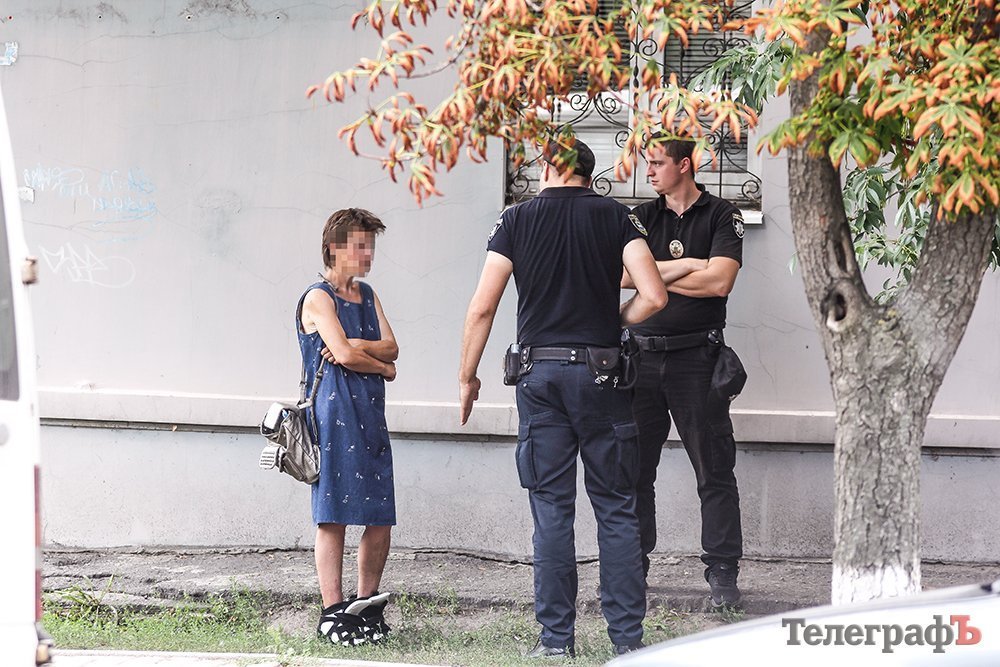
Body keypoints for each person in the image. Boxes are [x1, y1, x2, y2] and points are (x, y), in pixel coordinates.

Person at [459, 139, 667, 658]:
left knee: (552, 510)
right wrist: (610, 324)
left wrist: (467, 377)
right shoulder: (616, 216)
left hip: (540, 377)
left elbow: (483, 307)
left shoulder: (515, 219)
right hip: (602, 376)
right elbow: (654, 294)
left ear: (550, 167)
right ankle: (627, 644)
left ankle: (555, 643)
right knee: (617, 509)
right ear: (588, 174)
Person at [623, 136, 746, 608]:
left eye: (657, 163)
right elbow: (621, 276)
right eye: (647, 163)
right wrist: (692, 264)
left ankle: (722, 572)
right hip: (641, 360)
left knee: (714, 471)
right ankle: (632, 566)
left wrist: (656, 275)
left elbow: (720, 282)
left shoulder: (722, 214)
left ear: (686, 165)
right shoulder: (640, 216)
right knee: (635, 472)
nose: (649, 171)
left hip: (698, 360)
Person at [296, 208, 399, 646]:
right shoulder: (317, 298)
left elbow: (392, 347)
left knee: (380, 516)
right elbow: (344, 355)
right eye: (359, 245)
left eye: (370, 245)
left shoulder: (368, 294)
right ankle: (332, 612)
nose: (367, 254)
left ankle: (366, 604)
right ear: (333, 248)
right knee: (333, 514)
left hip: (371, 414)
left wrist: (361, 346)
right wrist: (382, 367)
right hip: (332, 415)